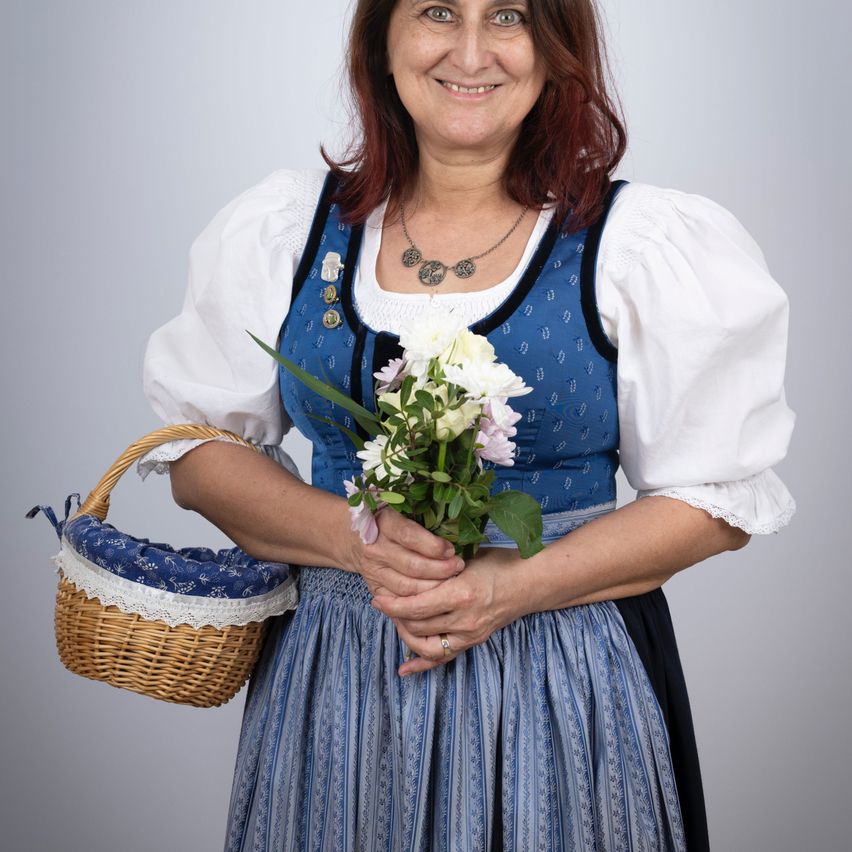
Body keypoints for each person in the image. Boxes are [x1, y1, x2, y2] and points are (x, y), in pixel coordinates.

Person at [140, 1, 797, 849]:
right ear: (383, 39)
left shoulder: (638, 243)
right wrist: (353, 540)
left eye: (510, 16)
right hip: (333, 677)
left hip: (565, 680)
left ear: (554, 48)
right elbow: (200, 453)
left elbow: (717, 498)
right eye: (438, 11)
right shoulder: (290, 229)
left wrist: (508, 587)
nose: (471, 51)